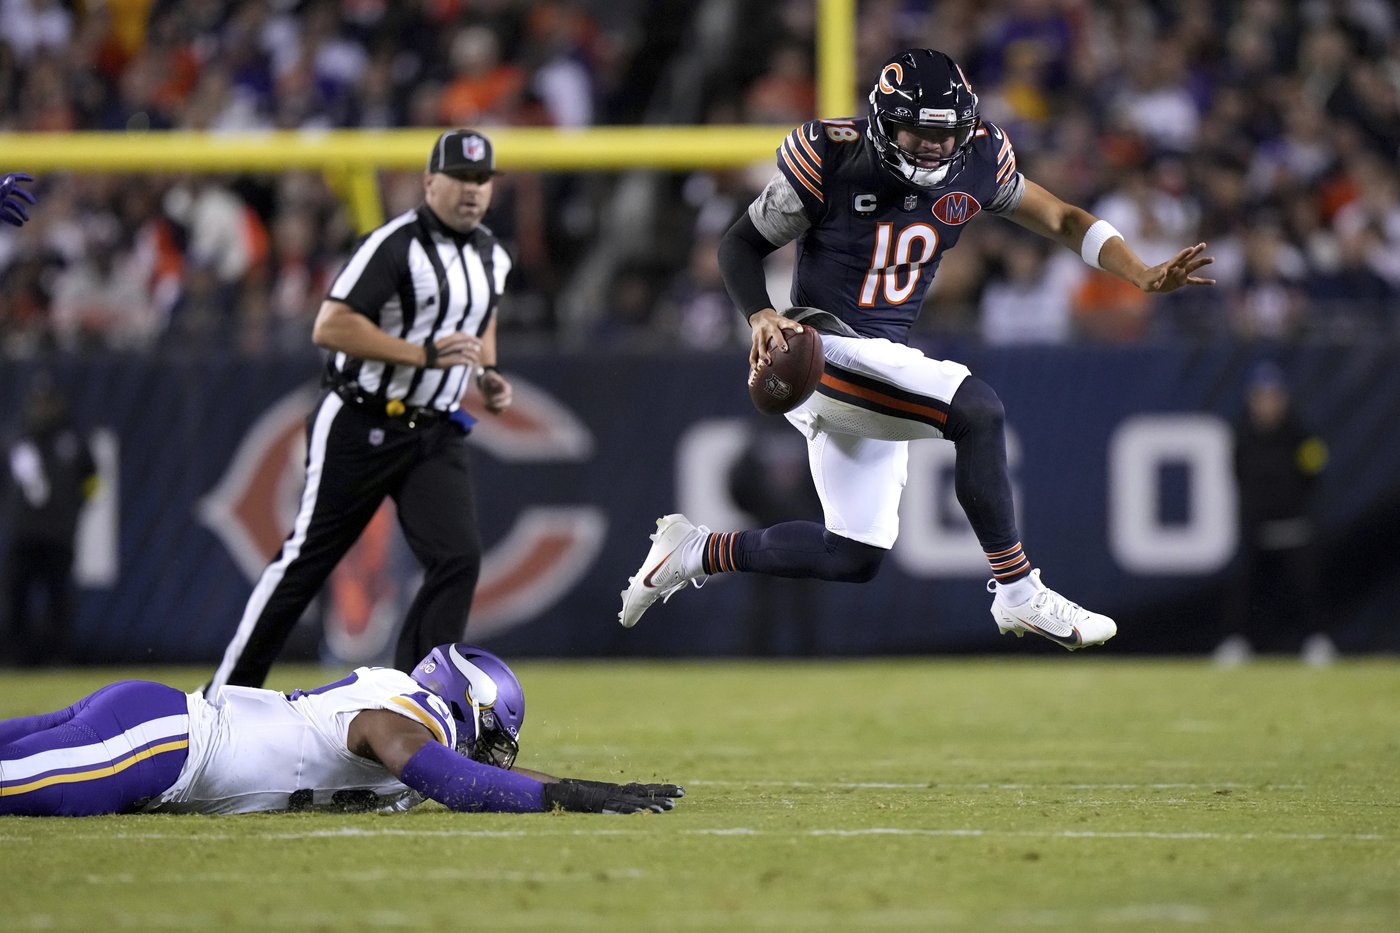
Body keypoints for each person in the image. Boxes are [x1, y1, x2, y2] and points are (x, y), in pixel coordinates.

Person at [619, 49, 1215, 648]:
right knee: (976, 411)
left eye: (945, 134)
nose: (933, 146)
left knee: (852, 554)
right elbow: (739, 245)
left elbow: (1060, 219)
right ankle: (1018, 592)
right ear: (884, 123)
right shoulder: (834, 156)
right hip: (821, 349)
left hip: (876, 366)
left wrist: (1138, 273)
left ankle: (695, 551)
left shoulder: (980, 158)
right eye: (919, 132)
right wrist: (760, 313)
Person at [207, 129, 515, 696]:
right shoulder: (395, 244)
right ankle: (226, 695)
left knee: (457, 557)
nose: (472, 191)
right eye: (460, 178)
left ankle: (418, 702)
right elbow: (331, 324)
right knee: (307, 561)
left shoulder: (492, 254)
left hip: (434, 428)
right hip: (361, 418)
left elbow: (482, 313)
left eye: (481, 180)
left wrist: (486, 374)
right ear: (430, 182)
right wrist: (420, 354)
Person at [1, 642, 684, 816]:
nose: (493, 754)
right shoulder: (400, 720)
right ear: (468, 707)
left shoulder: (404, 705)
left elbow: (479, 772)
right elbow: (446, 775)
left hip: (153, 723)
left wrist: (577, 785)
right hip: (163, 745)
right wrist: (557, 798)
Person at [1216, 361, 1332, 667]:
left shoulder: (1301, 435)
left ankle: (1315, 639)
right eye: (1261, 396)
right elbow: (1237, 473)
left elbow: (1314, 473)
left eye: (1272, 396)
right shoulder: (1241, 435)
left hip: (1294, 526)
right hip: (1257, 527)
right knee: (1246, 587)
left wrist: (1294, 507)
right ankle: (1239, 641)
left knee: (1304, 583)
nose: (1267, 404)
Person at [2, 380, 98, 666]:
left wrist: (75, 508)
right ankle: (14, 658)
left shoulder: (72, 440)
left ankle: (58, 657)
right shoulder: (15, 440)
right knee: (16, 597)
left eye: (48, 403)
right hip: (24, 534)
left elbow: (92, 480)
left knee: (58, 598)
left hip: (58, 535)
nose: (43, 410)